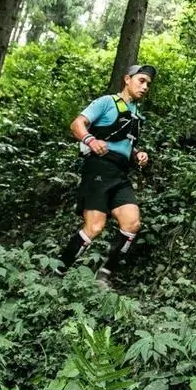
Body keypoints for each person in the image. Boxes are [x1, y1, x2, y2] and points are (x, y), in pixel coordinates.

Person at [57, 63, 155, 288]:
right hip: (98, 169)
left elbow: (125, 144)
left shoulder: (137, 115)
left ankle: (104, 273)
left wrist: (138, 154)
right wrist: (90, 140)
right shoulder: (107, 102)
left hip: (120, 174)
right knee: (94, 227)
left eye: (148, 84)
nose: (145, 87)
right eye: (141, 81)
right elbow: (77, 124)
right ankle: (59, 271)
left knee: (132, 223)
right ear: (127, 79)